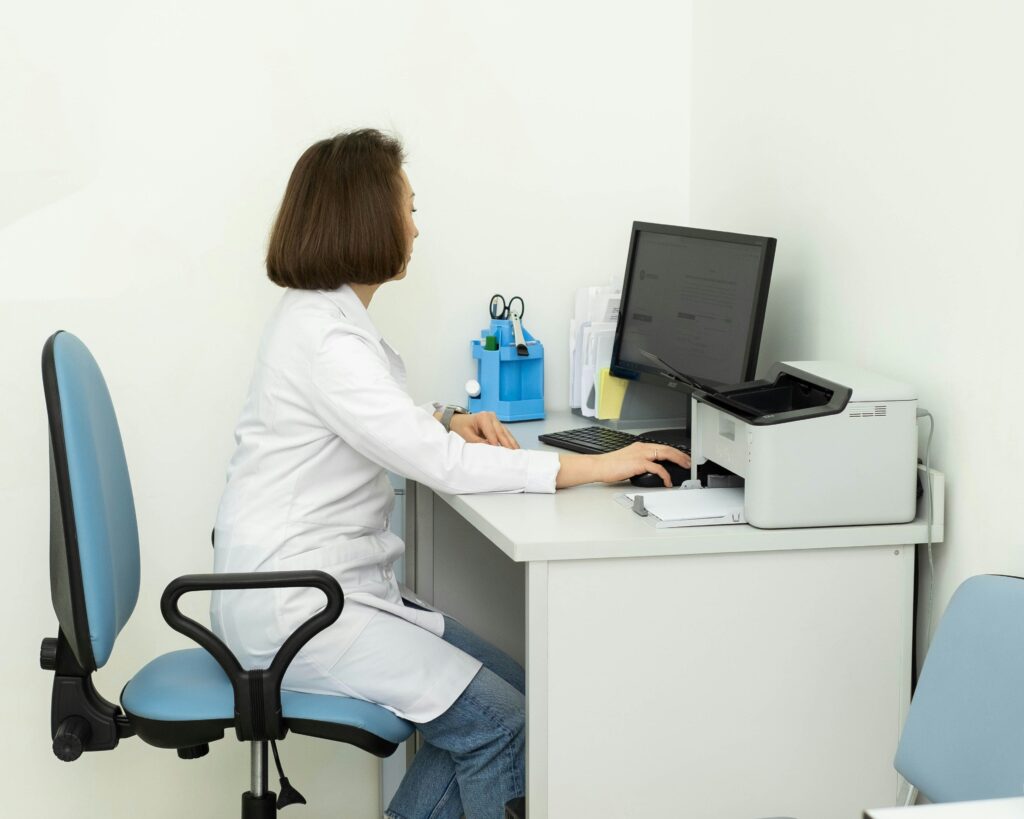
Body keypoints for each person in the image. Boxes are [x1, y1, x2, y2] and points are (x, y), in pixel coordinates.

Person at [211, 128, 690, 819]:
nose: (414, 226)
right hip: (301, 608)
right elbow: (440, 466)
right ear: (368, 218)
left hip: (320, 590)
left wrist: (440, 418)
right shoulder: (326, 340)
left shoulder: (323, 323)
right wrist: (592, 465)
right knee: (502, 723)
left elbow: (383, 423)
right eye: (408, 207)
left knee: (512, 693)